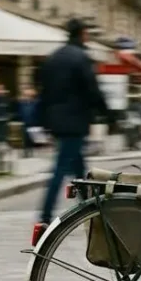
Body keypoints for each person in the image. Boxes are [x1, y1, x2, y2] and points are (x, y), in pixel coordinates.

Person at [31, 18, 110, 240]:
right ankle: (45, 216)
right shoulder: (80, 58)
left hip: (55, 120)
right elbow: (92, 89)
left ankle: (89, 209)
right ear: (82, 33)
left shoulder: (54, 58)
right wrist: (107, 113)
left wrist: (44, 120)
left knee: (78, 167)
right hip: (74, 121)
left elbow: (43, 91)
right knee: (61, 168)